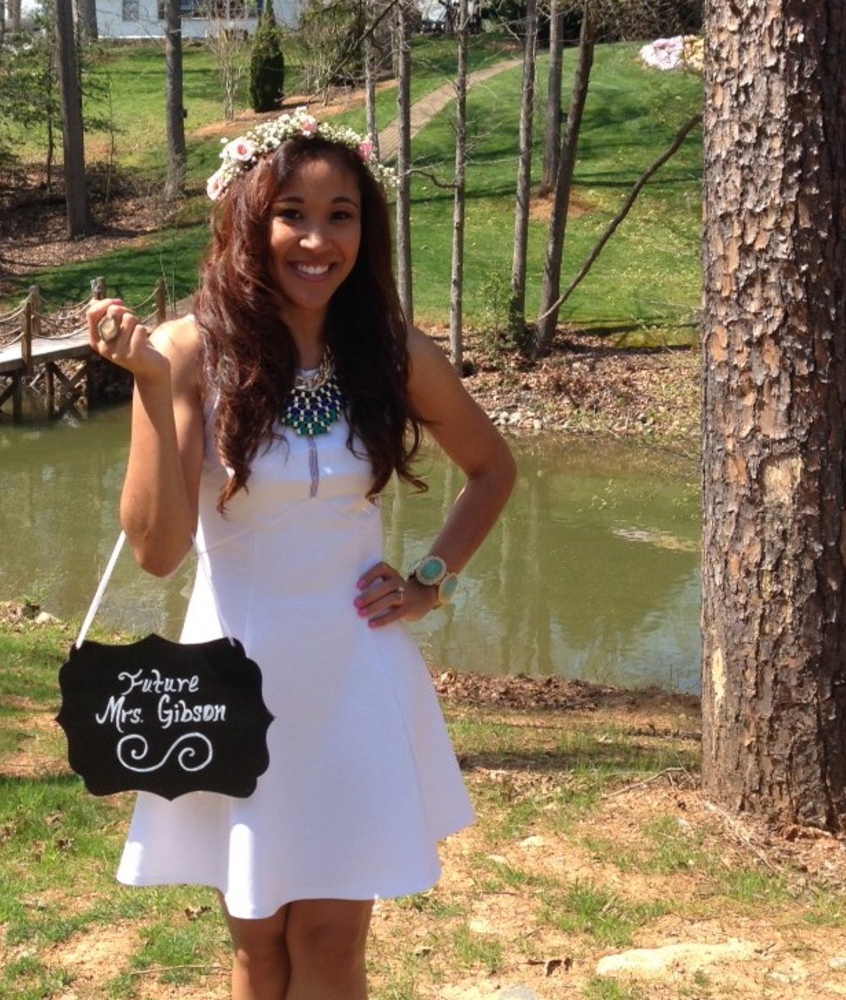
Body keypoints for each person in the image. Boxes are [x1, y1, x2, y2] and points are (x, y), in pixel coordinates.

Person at [86, 108, 516, 1000]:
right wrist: (153, 389)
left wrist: (429, 580)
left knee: (332, 938)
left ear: (367, 226)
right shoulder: (189, 352)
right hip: (233, 674)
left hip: (357, 671)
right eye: (292, 212)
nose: (317, 239)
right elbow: (159, 552)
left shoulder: (390, 348)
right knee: (259, 944)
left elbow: (491, 468)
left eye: (341, 214)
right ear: (249, 218)